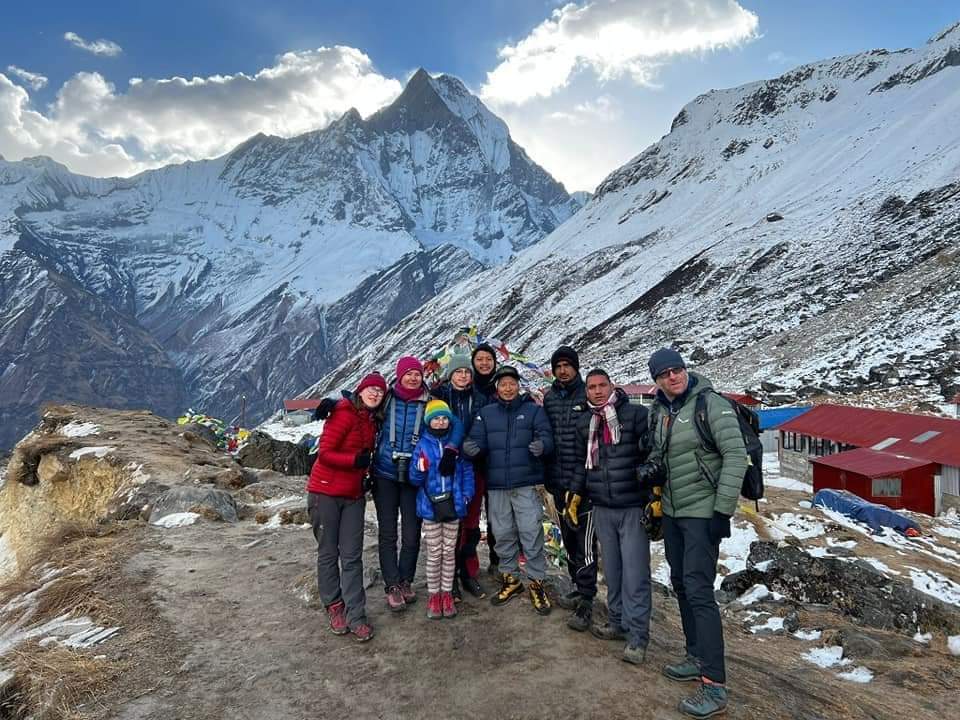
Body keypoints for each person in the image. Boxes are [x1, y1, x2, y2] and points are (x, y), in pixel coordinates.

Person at [646, 348, 747, 719]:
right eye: (665, 374)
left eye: (677, 370)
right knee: (682, 584)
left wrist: (722, 512)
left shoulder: (711, 405)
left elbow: (736, 455)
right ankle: (695, 656)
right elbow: (661, 455)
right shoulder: (661, 411)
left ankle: (714, 685)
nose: (673, 377)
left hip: (703, 515)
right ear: (657, 380)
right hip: (673, 512)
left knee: (700, 590)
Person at [568, 369, 652, 664]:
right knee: (613, 571)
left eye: (603, 385)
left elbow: (651, 457)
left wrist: (653, 496)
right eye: (592, 387)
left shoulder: (636, 416)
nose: (598, 391)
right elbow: (582, 464)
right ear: (586, 391)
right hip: (602, 507)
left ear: (612, 386)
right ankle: (617, 622)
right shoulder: (584, 423)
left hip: (632, 506)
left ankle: (639, 635)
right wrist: (576, 494)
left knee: (636, 574)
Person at [371, 356, 463, 612]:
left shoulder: (430, 401)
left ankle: (406, 580)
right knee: (388, 533)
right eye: (407, 374)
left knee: (412, 533)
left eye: (416, 373)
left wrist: (452, 449)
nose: (412, 378)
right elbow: (362, 406)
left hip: (415, 475)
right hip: (384, 473)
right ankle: (392, 585)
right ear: (399, 375)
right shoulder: (386, 399)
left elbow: (456, 424)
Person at [462, 365, 554, 615]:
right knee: (502, 533)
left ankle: (536, 582)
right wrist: (472, 448)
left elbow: (547, 435)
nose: (508, 387)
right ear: (497, 387)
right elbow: (476, 439)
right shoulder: (486, 413)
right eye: (503, 384)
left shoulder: (533, 411)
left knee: (531, 532)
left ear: (518, 385)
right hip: (497, 485)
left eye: (512, 383)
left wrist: (542, 445)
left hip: (526, 482)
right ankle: (511, 579)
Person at [306, 372, 386, 643]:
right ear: (360, 391)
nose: (375, 394)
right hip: (325, 492)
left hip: (353, 495)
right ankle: (334, 606)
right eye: (371, 389)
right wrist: (355, 460)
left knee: (352, 555)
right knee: (329, 552)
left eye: (379, 391)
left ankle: (356, 614)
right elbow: (325, 453)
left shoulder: (372, 419)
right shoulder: (342, 413)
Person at [542, 345, 598, 632]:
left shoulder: (587, 394)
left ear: (576, 367)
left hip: (585, 483)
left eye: (567, 365)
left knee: (585, 542)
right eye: (558, 366)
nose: (563, 370)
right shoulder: (550, 398)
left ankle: (587, 600)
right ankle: (577, 585)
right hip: (558, 482)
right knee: (568, 537)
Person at [409, 399, 475, 619]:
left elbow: (466, 471)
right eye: (436, 418)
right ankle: (433, 595)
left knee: (449, 552)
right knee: (434, 553)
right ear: (429, 421)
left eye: (444, 418)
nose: (440, 422)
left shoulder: (456, 445)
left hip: (454, 506)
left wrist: (466, 495)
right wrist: (420, 469)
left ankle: (447, 593)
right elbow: (414, 479)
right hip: (430, 508)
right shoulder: (422, 445)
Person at [431, 354, 490, 599]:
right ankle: (450, 576)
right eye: (458, 371)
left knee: (471, 521)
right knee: (449, 520)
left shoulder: (481, 398)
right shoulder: (440, 397)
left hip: (474, 465)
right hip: (446, 466)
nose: (463, 375)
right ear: (451, 374)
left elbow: (488, 427)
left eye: (467, 371)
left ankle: (469, 572)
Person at [470, 342, 500, 573]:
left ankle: (497, 561)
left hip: (497, 461)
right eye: (479, 359)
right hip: (470, 460)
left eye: (488, 359)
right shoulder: (465, 388)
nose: (484, 363)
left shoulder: (502, 387)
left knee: (496, 514)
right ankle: (468, 565)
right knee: (469, 515)